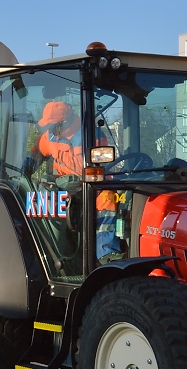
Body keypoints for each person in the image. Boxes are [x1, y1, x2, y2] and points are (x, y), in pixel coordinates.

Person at [33, 101, 121, 262]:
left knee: (108, 199)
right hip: (62, 188)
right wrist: (25, 170)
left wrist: (82, 182)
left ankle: (105, 254)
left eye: (52, 124)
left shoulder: (92, 136)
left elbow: (102, 168)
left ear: (65, 122)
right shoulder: (49, 137)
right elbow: (36, 152)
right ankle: (51, 255)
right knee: (40, 197)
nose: (49, 128)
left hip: (91, 187)